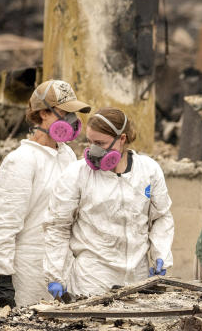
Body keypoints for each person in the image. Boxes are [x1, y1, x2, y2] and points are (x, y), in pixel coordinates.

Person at [44, 108, 174, 297]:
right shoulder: (77, 174)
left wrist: (160, 254)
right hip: (92, 280)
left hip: (138, 278)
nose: (94, 150)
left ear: (122, 139)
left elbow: (161, 217)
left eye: (101, 143)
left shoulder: (148, 171)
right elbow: (57, 226)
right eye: (90, 142)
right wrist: (55, 274)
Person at [0, 80, 90, 308]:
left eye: (74, 114)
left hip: (61, 266)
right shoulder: (21, 160)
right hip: (27, 270)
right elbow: (4, 224)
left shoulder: (67, 155)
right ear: (43, 114)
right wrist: (3, 277)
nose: (72, 121)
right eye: (65, 113)